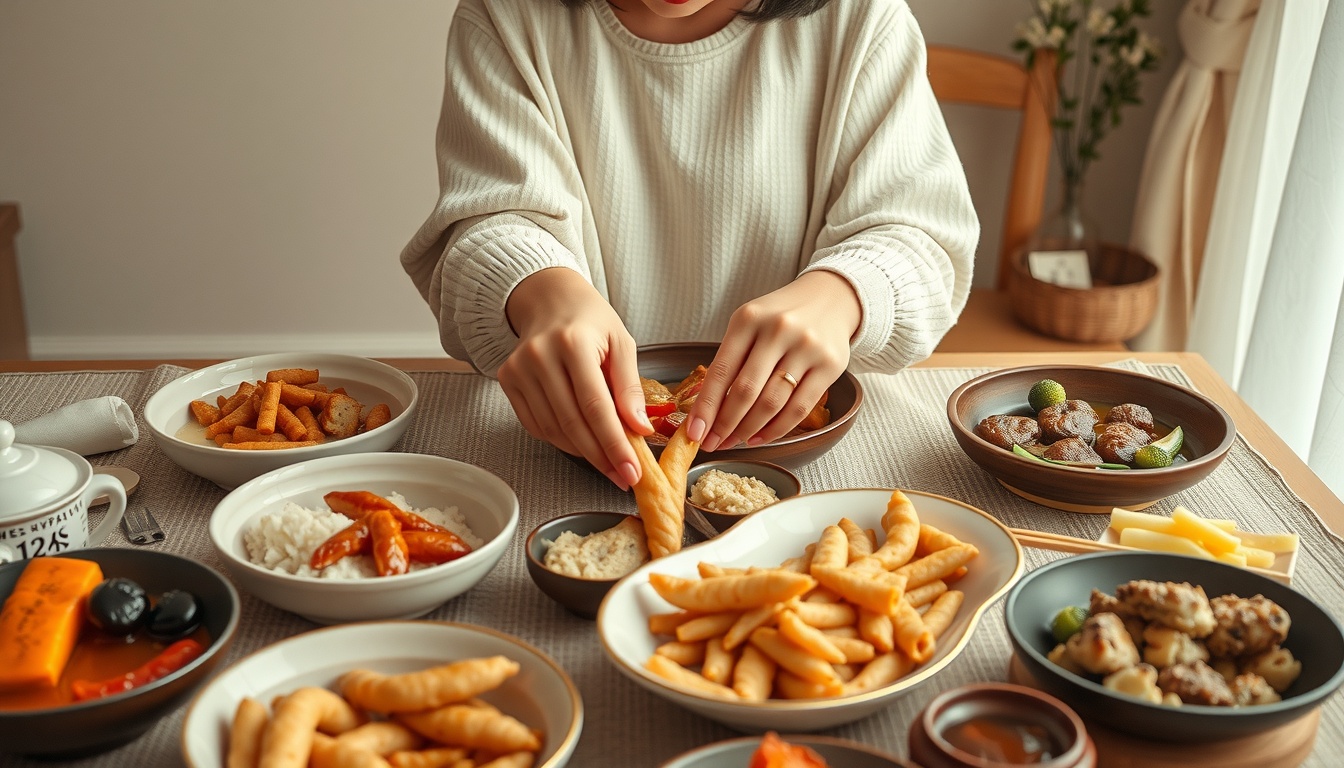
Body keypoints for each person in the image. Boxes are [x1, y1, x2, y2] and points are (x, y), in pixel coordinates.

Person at [401, 0, 979, 490]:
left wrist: (845, 294)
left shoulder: (862, 17)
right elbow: (490, 219)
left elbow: (920, 237)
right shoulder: (505, 15)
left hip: (807, 464)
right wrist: (536, 292)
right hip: (575, 457)